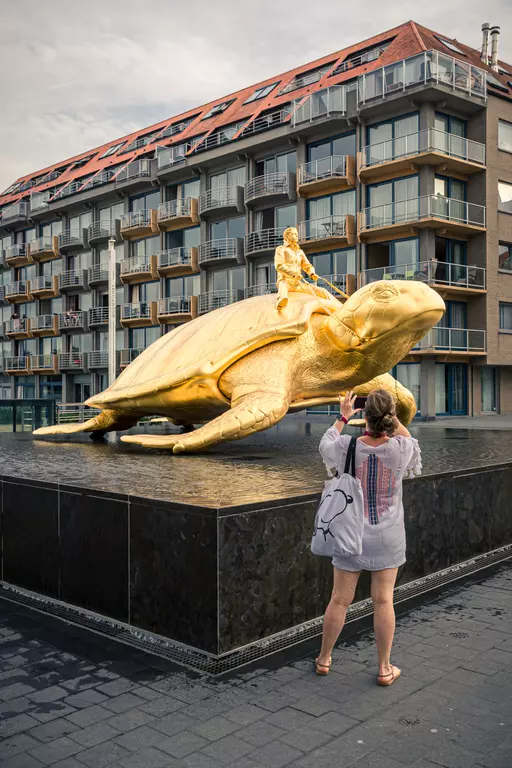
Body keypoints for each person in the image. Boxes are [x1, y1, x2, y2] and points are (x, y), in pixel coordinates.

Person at [316, 389, 421, 685]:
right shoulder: (401, 448)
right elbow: (410, 438)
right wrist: (394, 417)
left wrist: (343, 415)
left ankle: (324, 660)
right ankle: (385, 669)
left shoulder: (348, 446)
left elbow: (325, 443)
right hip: (387, 536)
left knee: (339, 600)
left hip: (350, 534)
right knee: (383, 601)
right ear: (390, 417)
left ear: (364, 416)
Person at [274, 226, 332, 310]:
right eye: (293, 234)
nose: (296, 236)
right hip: (286, 282)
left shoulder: (300, 252)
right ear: (286, 237)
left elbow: (307, 265)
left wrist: (312, 273)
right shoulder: (281, 249)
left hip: (298, 284)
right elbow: (279, 265)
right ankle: (280, 303)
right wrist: (293, 274)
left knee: (322, 292)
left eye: (297, 234)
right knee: (283, 291)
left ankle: (341, 307)